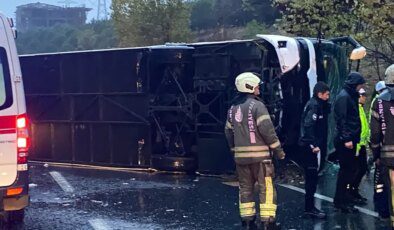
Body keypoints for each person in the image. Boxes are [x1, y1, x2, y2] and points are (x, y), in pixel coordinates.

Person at [224, 72, 285, 230]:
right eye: (256, 85)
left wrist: (234, 150)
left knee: (245, 188)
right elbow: (267, 131)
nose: (259, 87)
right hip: (261, 159)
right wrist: (278, 151)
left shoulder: (232, 109)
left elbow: (228, 132)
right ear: (249, 86)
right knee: (267, 188)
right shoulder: (258, 106)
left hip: (241, 160)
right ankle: (268, 222)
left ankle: (248, 221)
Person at [333, 71, 365, 213]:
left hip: (351, 139)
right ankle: (341, 200)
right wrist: (347, 138)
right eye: (359, 85)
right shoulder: (344, 97)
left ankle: (345, 198)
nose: (360, 88)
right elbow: (342, 119)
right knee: (346, 171)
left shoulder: (348, 96)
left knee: (350, 170)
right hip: (346, 141)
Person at [299, 81, 330, 219]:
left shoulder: (318, 105)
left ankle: (310, 206)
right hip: (311, 149)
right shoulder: (314, 106)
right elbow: (308, 125)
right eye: (327, 94)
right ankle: (309, 208)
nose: (328, 97)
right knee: (311, 178)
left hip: (313, 147)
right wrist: (313, 145)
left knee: (313, 178)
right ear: (320, 94)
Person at [370, 64, 394, 228]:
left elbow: (376, 135)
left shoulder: (379, 102)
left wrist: (376, 155)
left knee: (392, 192)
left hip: (389, 159)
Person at [350, 88, 369, 205]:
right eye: (362, 95)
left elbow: (365, 128)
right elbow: (356, 129)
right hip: (357, 146)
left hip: (362, 145)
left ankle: (354, 191)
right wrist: (356, 148)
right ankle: (351, 192)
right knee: (357, 170)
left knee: (362, 169)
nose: (365, 97)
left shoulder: (361, 109)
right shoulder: (356, 109)